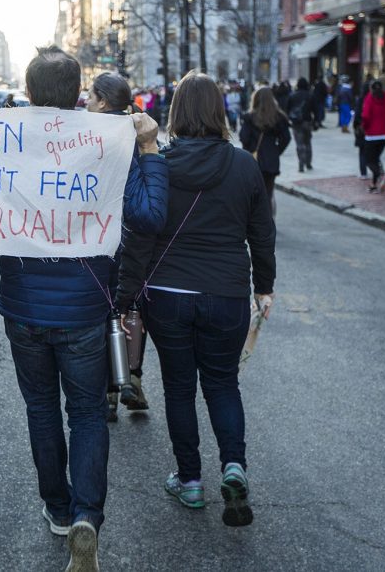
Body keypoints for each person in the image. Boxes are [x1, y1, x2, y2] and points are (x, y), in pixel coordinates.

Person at [0, 46, 166, 570]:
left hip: (23, 310)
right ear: (77, 94)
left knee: (42, 409)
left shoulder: (5, 137)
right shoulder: (101, 142)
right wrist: (150, 148)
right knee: (88, 413)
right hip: (86, 310)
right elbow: (150, 215)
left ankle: (57, 507)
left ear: (28, 92)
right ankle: (86, 516)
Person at [116, 71, 275, 529]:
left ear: (176, 112)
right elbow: (261, 235)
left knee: (180, 389)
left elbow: (139, 238)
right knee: (223, 383)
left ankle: (189, 480)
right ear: (219, 111)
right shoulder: (244, 165)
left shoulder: (159, 164)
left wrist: (125, 300)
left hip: (167, 295)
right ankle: (233, 467)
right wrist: (264, 286)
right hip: (225, 292)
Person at [86, 71, 162, 419]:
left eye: (90, 96)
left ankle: (108, 392)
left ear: (102, 100)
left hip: (101, 235)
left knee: (104, 309)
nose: (86, 101)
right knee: (133, 307)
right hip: (138, 240)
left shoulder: (88, 136)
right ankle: (132, 376)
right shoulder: (142, 133)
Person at [239, 86, 292, 211]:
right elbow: (286, 138)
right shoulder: (279, 117)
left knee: (253, 193)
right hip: (271, 160)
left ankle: (256, 222)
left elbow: (244, 138)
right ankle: (268, 222)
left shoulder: (249, 117)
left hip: (253, 159)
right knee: (268, 192)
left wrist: (250, 148)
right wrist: (276, 151)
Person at [361, 80, 385, 193]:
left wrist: (365, 127)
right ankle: (374, 184)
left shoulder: (369, 98)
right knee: (376, 158)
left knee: (369, 160)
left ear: (371, 88)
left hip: (372, 134)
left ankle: (381, 175)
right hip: (384, 133)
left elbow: (366, 116)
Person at [286, 77, 315, 172]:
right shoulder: (310, 95)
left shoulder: (293, 95)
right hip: (307, 122)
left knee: (299, 144)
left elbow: (287, 109)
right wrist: (316, 121)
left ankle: (301, 164)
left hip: (296, 123)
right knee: (308, 143)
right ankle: (308, 163)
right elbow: (315, 109)